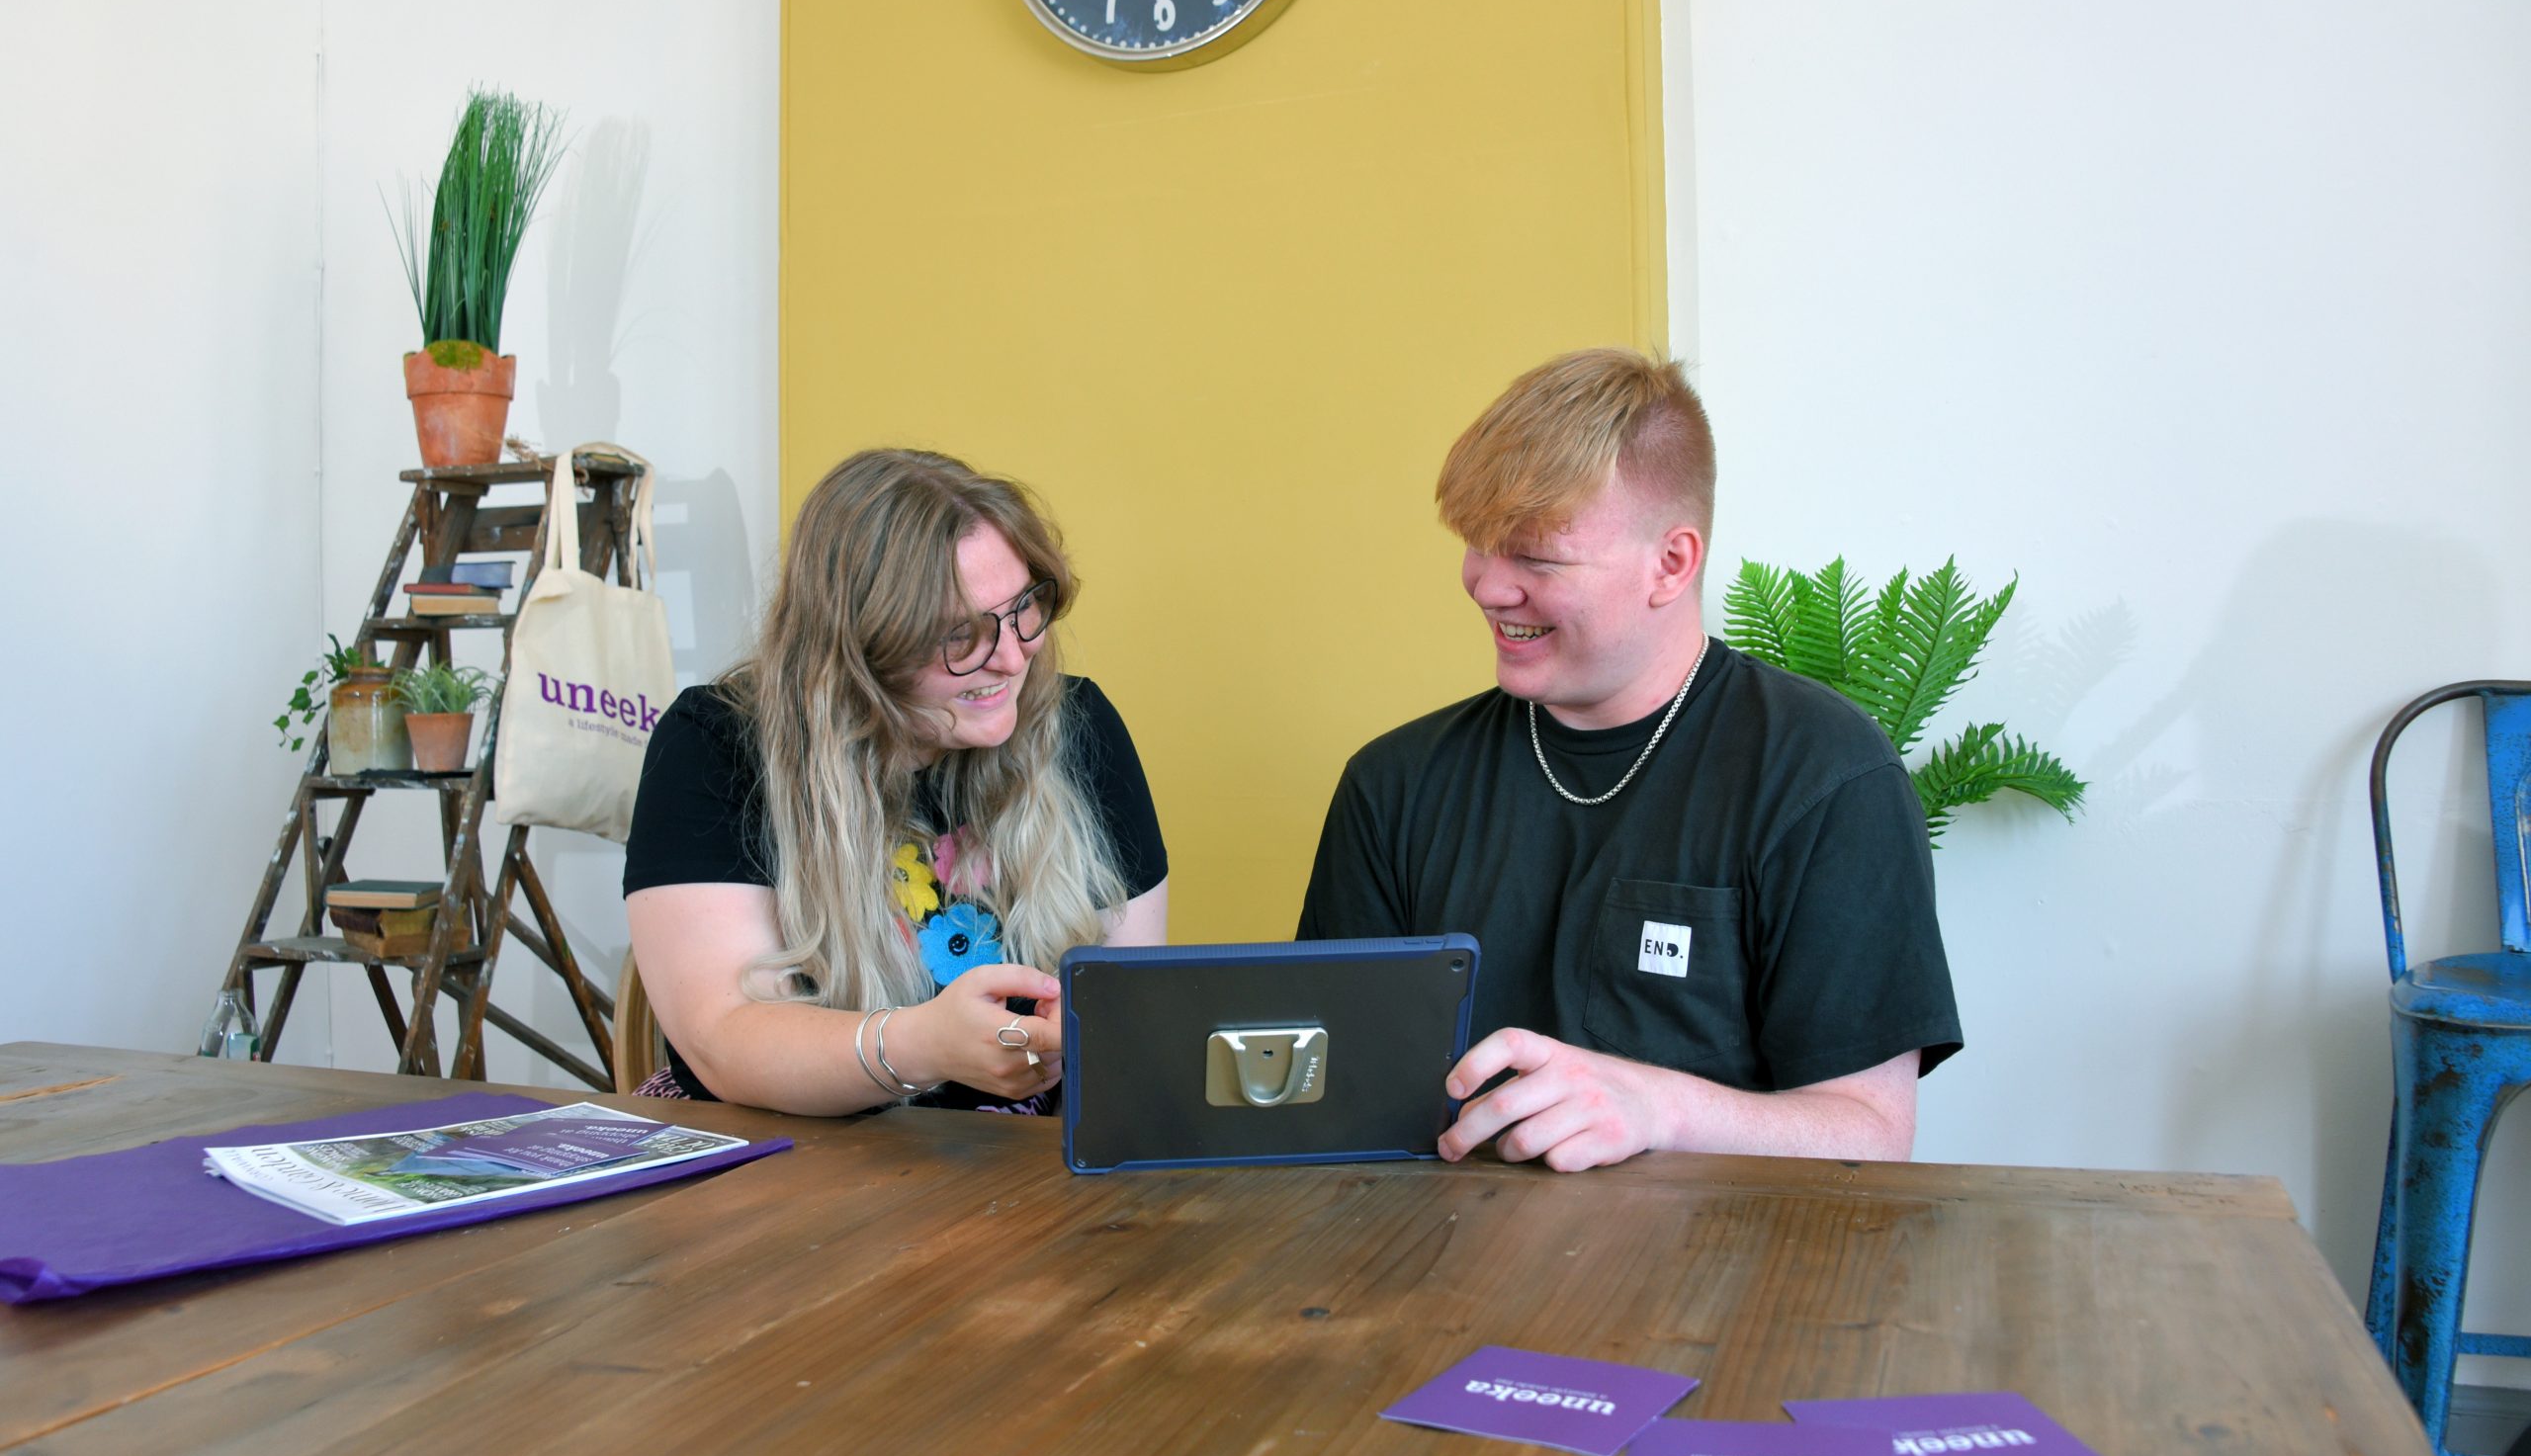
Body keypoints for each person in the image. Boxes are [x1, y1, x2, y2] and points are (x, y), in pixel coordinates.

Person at [1295, 348, 1959, 1169]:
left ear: (1671, 563)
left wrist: (1657, 1105)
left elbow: (1870, 1128)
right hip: (1438, 1273)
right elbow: (1334, 1100)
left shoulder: (1823, 778)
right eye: (1477, 544)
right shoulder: (1393, 786)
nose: (1488, 587)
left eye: (1536, 557)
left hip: (1722, 1282)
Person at [623, 448, 1167, 1115]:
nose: (1013, 654)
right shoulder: (716, 745)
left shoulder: (1078, 725)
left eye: (1025, 606)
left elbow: (1132, 1007)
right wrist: (920, 1045)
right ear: (856, 648)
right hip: (794, 1164)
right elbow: (722, 1039)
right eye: (960, 634)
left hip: (1024, 1164)